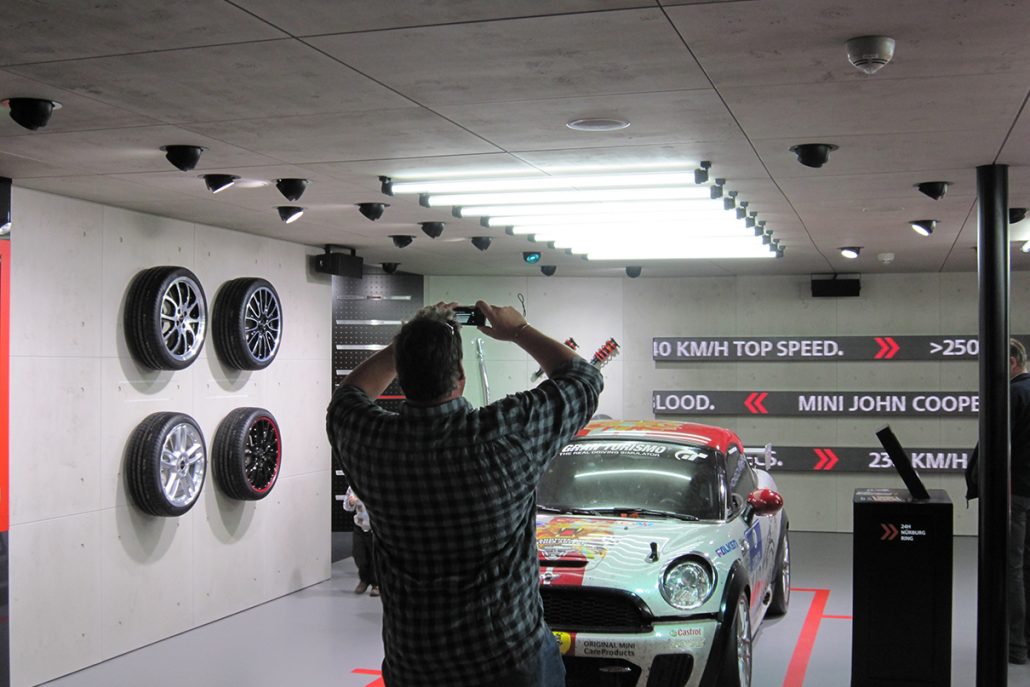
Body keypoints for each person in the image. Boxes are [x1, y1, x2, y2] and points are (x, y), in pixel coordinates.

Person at [326, 301, 602, 687]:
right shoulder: (507, 435)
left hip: (415, 665)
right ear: (459, 375)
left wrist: (406, 344)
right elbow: (584, 378)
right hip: (509, 662)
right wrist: (518, 330)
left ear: (402, 376)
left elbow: (347, 398)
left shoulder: (374, 444)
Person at [965, 337, 1030, 664]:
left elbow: (995, 448)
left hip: (1013, 495)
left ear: (1012, 362)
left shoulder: (1012, 396)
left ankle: (1014, 645)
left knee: (1011, 567)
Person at [343, 486, 379, 597]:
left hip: (375, 528)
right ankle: (364, 580)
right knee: (359, 555)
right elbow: (346, 507)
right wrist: (350, 502)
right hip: (359, 526)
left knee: (375, 557)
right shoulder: (353, 487)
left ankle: (376, 584)